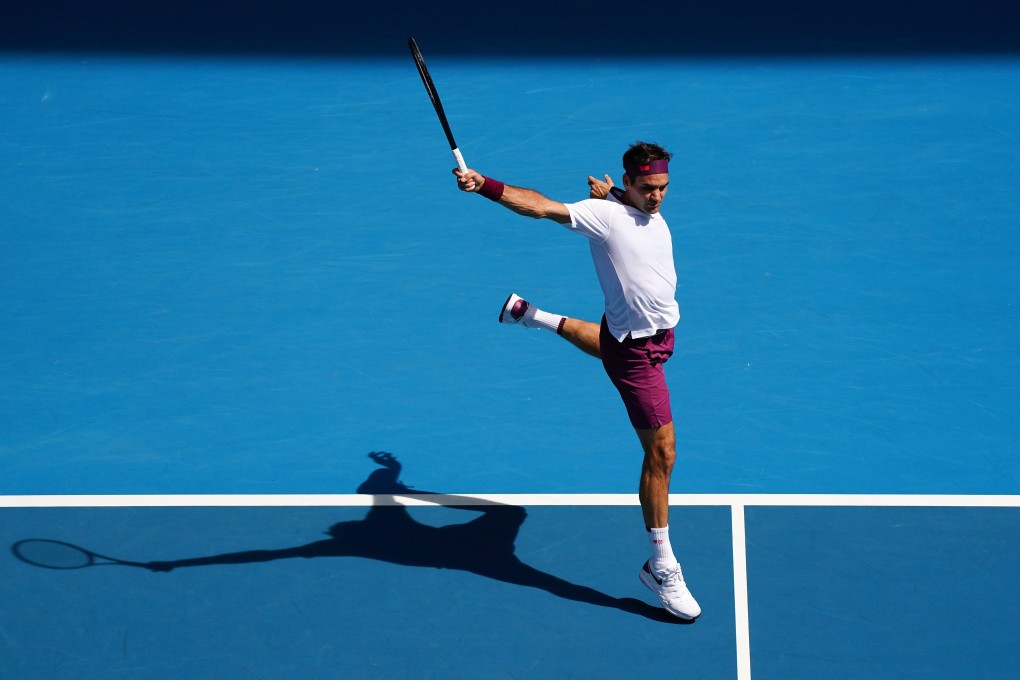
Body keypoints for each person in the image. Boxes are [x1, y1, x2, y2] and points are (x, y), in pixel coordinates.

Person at [453, 141, 701, 620]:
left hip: (645, 336)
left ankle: (532, 316)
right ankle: (661, 565)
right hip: (637, 356)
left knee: (608, 341)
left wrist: (613, 194)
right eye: (647, 189)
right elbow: (541, 206)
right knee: (663, 453)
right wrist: (484, 185)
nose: (657, 198)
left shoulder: (623, 204)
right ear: (631, 182)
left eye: (663, 189)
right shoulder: (603, 216)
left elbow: (626, 208)